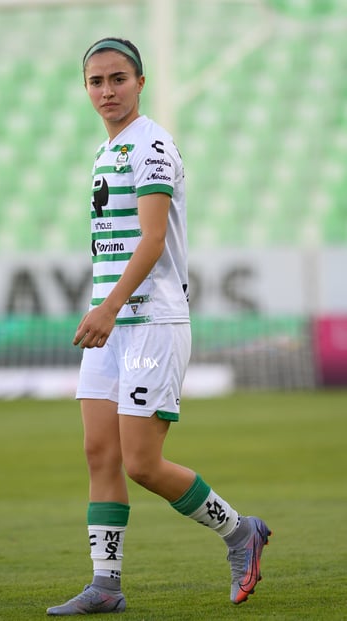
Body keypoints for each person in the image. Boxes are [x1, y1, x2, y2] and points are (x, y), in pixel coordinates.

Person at [47, 37, 271, 616]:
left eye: (117, 79)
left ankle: (240, 532)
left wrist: (109, 306)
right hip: (113, 326)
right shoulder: (106, 152)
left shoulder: (151, 145)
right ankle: (106, 585)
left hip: (149, 322)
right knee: (100, 453)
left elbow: (150, 240)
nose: (106, 91)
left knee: (142, 462)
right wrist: (106, 310)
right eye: (96, 82)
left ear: (140, 82)